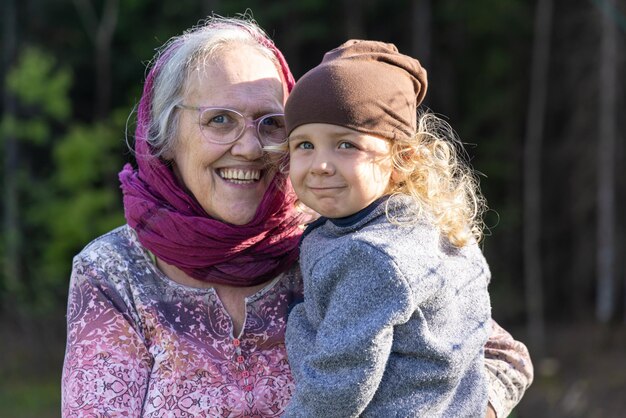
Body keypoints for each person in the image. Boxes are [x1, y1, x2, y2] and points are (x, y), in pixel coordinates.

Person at [61, 15, 533, 417]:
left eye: (272, 124)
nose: (249, 148)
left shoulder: (346, 236)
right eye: (220, 120)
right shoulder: (113, 271)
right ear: (164, 133)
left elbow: (500, 357)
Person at [281, 39, 498, 417]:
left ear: (402, 159)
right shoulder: (432, 225)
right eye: (304, 145)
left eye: (346, 145)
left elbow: (336, 388)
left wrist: (298, 321)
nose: (320, 165)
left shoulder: (371, 257)